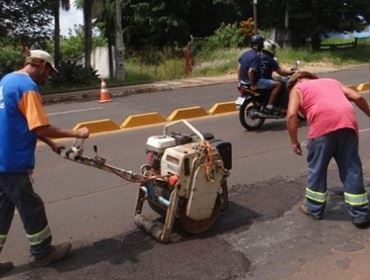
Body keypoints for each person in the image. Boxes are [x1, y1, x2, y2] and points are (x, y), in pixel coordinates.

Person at [0, 50, 90, 275]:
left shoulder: (7, 80)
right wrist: (75, 132)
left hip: (1, 159)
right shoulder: (28, 88)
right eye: (48, 70)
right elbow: (39, 126)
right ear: (39, 64)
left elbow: (24, 122)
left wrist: (50, 143)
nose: (48, 76)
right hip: (12, 161)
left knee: (2, 210)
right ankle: (43, 253)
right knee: (32, 206)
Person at [286, 71, 370, 228]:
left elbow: (291, 115)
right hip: (347, 124)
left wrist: (294, 141)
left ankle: (315, 209)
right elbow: (358, 97)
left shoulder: (297, 89)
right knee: (351, 168)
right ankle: (360, 215)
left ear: (295, 81)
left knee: (317, 169)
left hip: (322, 128)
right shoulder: (332, 81)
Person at [237, 34, 281, 115]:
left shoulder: (245, 54)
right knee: (278, 84)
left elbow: (239, 67)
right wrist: (253, 84)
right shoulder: (256, 57)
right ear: (260, 45)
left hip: (243, 83)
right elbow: (251, 71)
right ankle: (269, 106)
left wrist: (240, 80)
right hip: (254, 82)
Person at [259, 39, 296, 112]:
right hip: (264, 81)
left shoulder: (257, 56)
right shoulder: (270, 60)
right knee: (283, 85)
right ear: (269, 48)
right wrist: (292, 72)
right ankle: (278, 106)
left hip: (257, 80)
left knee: (277, 80)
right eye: (273, 47)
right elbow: (281, 72)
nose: (274, 50)